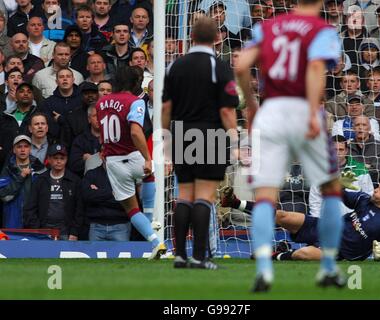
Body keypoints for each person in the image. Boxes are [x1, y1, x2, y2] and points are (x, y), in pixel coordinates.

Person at [235, 0, 344, 291]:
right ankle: (330, 267)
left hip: (270, 111)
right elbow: (316, 66)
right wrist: (311, 112)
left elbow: (242, 64)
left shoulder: (266, 27)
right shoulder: (322, 30)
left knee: (266, 195)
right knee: (331, 189)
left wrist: (252, 104)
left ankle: (263, 269)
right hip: (302, 108)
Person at [162, 17, 239, 270]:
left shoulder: (175, 66)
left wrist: (164, 135)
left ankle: (180, 256)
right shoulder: (219, 66)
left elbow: (166, 106)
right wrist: (235, 137)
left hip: (182, 132)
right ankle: (199, 257)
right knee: (204, 197)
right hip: (210, 132)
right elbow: (227, 109)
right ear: (217, 37)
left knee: (184, 195)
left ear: (191, 37)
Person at [221, 180, 380, 262]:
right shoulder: (364, 200)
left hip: (338, 251)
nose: (375, 190)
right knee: (283, 216)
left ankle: (278, 255)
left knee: (304, 254)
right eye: (377, 187)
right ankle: (235, 202)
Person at [96, 66, 165, 259]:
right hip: (133, 155)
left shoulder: (101, 103)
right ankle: (151, 220)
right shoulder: (136, 102)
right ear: (135, 83)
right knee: (149, 175)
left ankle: (155, 241)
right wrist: (148, 157)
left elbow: (101, 129)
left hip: (114, 161)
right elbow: (135, 131)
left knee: (131, 208)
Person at [23, 143, 84, 240]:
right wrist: (38, 229)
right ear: (49, 159)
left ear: (66, 160)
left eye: (62, 158)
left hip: (66, 232)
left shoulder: (75, 181)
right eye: (55, 158)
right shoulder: (40, 180)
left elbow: (79, 210)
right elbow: (30, 207)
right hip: (44, 231)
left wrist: (74, 232)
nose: (59, 161)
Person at [0, 135, 46, 228]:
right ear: (14, 150)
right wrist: (21, 177)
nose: (22, 149)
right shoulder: (7, 170)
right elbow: (3, 195)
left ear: (30, 149)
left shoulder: (40, 169)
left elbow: (44, 199)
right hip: (12, 221)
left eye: (26, 146)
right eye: (19, 146)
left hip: (35, 222)